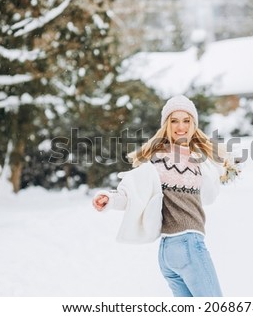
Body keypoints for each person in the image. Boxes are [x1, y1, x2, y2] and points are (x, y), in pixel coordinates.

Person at [92, 95, 240, 297]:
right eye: (174, 120)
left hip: (168, 254)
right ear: (166, 125)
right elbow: (133, 193)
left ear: (194, 124)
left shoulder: (196, 161)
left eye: (186, 120)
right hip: (188, 246)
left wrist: (219, 170)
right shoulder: (160, 161)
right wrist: (110, 199)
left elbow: (207, 197)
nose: (181, 126)